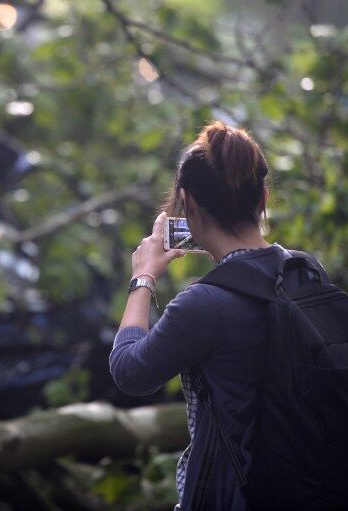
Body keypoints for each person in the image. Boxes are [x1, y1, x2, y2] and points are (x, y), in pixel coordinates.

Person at [109, 120, 294, 510]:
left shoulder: (206, 304)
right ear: (262, 199)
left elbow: (129, 370)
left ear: (187, 204)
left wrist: (143, 276)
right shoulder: (305, 272)